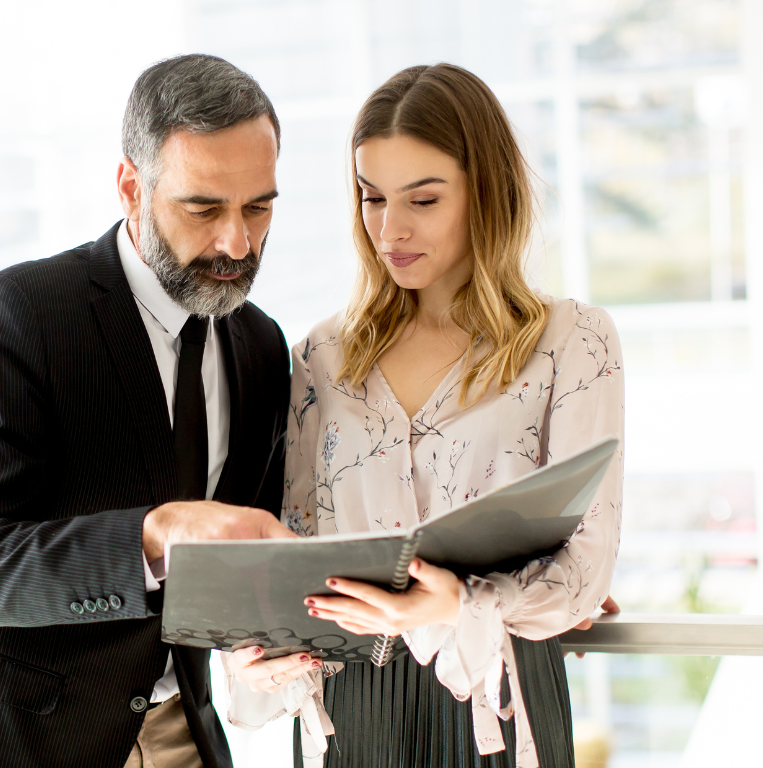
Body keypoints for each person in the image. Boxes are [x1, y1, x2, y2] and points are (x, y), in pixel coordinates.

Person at [0, 54, 297, 768]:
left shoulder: (261, 346)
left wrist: (256, 641)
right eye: (203, 209)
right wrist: (153, 533)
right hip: (12, 742)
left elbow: (234, 565)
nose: (237, 243)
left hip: (180, 732)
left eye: (258, 207)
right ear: (130, 186)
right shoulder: (18, 316)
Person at [226, 63, 625, 768]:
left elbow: (585, 569)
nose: (390, 228)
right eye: (371, 197)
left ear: (486, 194)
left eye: (424, 199)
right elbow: (295, 543)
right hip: (351, 705)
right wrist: (252, 652)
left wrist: (459, 606)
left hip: (499, 694)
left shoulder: (573, 342)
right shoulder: (322, 354)